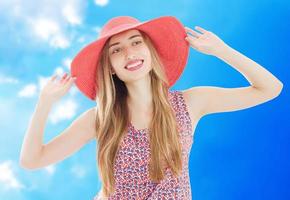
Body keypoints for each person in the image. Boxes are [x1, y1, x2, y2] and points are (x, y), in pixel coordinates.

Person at [19, 15, 283, 200]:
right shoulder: (101, 119)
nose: (129, 53)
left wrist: (222, 50)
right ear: (110, 67)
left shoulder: (190, 103)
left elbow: (270, 88)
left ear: (150, 51)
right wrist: (44, 104)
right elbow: (32, 160)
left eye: (136, 42)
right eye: (116, 50)